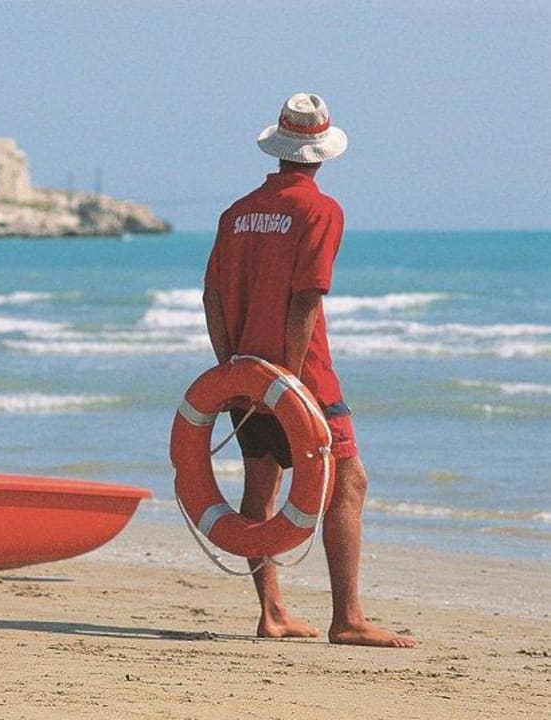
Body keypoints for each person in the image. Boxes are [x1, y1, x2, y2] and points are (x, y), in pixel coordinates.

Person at [201, 92, 415, 648]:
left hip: (246, 375)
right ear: (320, 152)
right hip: (306, 379)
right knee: (350, 482)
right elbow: (304, 301)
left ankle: (272, 613)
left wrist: (232, 372)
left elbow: (212, 297)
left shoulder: (237, 213)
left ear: (279, 149)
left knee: (262, 488)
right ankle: (347, 618)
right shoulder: (320, 210)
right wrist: (288, 382)